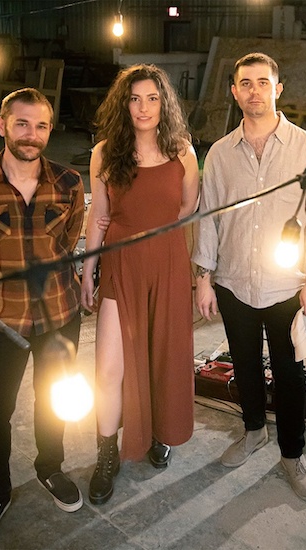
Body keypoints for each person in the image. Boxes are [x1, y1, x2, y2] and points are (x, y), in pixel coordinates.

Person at [0, 88, 86, 549]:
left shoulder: (69, 182)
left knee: (55, 400)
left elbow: (69, 242)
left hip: (60, 314)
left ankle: (50, 467)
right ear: (2, 125)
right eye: (22, 123)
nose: (32, 134)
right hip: (2, 320)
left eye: (41, 125)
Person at [193, 53, 306, 502]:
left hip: (285, 285)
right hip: (234, 281)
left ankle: (293, 453)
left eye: (263, 82)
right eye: (246, 83)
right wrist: (204, 277)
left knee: (290, 372)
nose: (255, 91)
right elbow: (208, 217)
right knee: (245, 363)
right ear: (235, 92)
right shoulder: (219, 153)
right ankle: (254, 430)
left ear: (278, 89)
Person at [81, 64, 199, 505]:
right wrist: (88, 270)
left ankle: (161, 433)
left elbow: (187, 208)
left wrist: (159, 238)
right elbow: (99, 215)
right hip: (121, 265)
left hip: (167, 264)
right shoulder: (104, 153)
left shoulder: (182, 151)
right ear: (123, 104)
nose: (143, 108)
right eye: (134, 99)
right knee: (109, 368)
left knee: (163, 357)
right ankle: (106, 453)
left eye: (152, 98)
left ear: (164, 104)